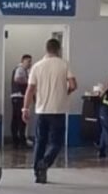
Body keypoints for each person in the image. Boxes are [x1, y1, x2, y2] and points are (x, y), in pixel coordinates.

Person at [22, 38, 76, 184]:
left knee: (40, 141)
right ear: (58, 49)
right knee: (56, 143)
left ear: (46, 49)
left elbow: (30, 89)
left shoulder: (37, 66)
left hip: (41, 110)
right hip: (58, 110)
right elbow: (73, 84)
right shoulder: (64, 64)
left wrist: (25, 108)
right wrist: (65, 93)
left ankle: (37, 173)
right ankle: (45, 163)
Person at [10, 54, 32, 148]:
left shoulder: (22, 70)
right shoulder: (20, 69)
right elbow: (17, 79)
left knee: (16, 119)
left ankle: (17, 140)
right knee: (21, 119)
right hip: (19, 96)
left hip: (17, 97)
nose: (30, 64)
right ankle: (21, 141)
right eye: (28, 61)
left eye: (30, 62)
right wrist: (29, 82)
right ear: (23, 61)